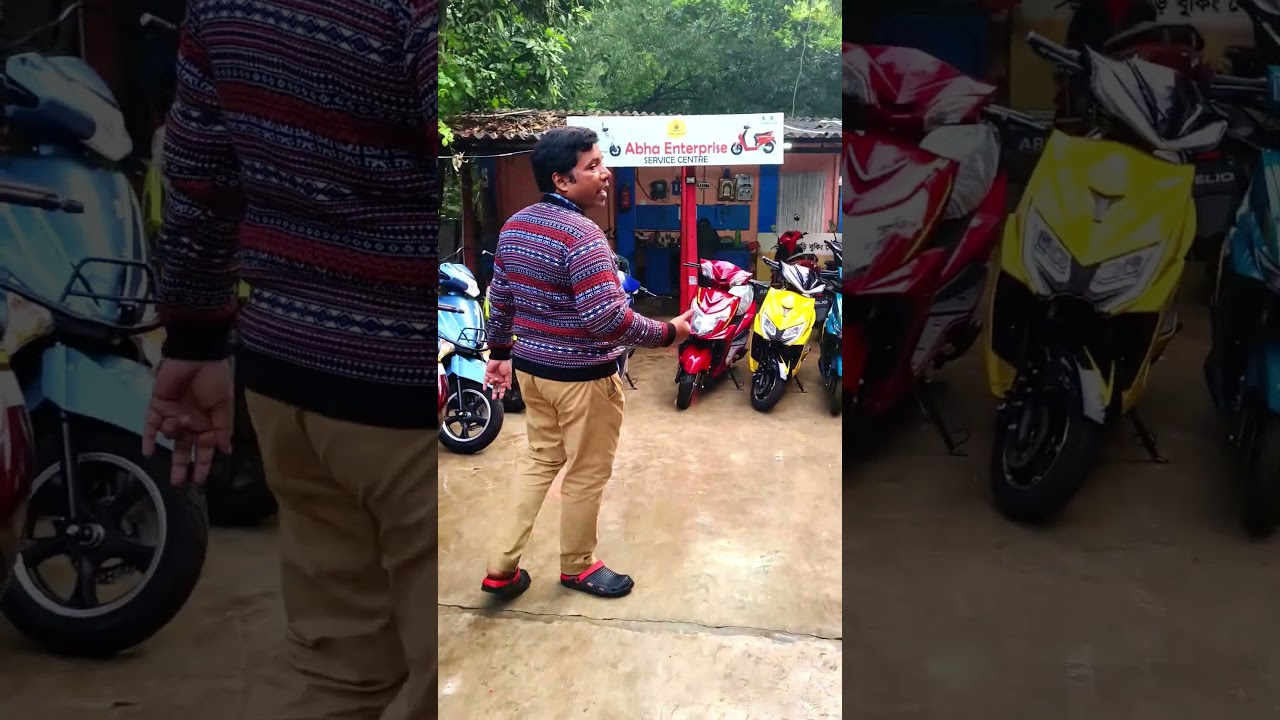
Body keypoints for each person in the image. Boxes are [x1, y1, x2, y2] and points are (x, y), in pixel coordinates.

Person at [140, 1, 438, 719]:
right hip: (402, 398)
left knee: (338, 676)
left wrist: (195, 340)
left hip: (288, 380)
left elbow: (199, 181)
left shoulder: (220, 6)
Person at [481, 126, 694, 600]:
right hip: (583, 381)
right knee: (586, 473)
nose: (606, 173)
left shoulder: (515, 226)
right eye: (593, 166)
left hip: (532, 373)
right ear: (561, 180)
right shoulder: (583, 235)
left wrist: (499, 355)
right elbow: (608, 321)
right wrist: (671, 333)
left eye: (602, 162)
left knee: (539, 461)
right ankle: (578, 566)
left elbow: (502, 299)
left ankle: (500, 567)